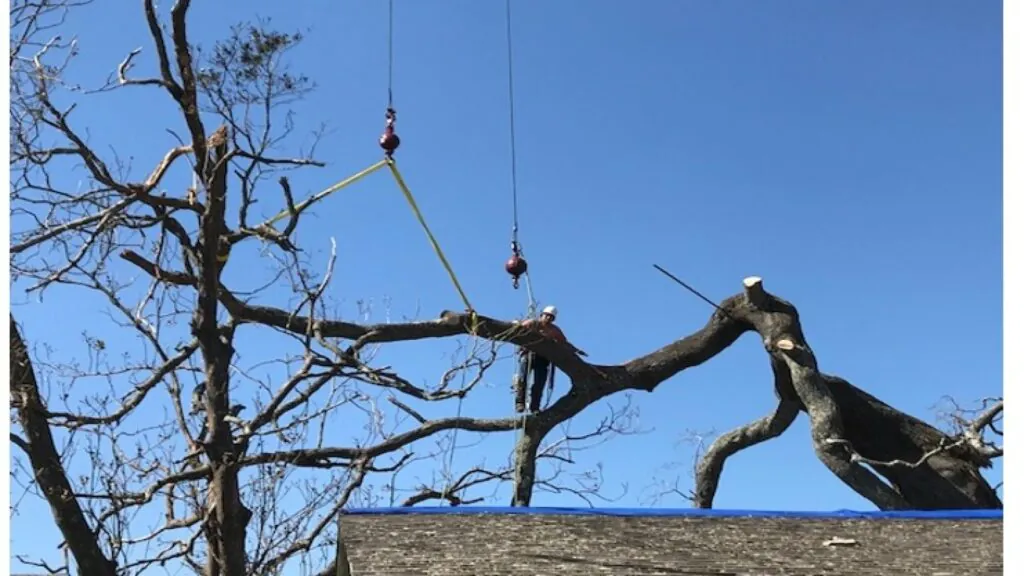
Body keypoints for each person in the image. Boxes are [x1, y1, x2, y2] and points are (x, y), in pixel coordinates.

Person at [513, 305, 587, 413]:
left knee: (539, 383)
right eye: (547, 316)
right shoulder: (532, 323)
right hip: (528, 355)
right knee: (522, 379)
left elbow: (564, 343)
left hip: (543, 359)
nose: (548, 318)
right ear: (541, 315)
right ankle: (520, 403)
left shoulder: (554, 331)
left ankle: (535, 407)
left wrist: (576, 351)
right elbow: (519, 328)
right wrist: (515, 324)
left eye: (551, 317)